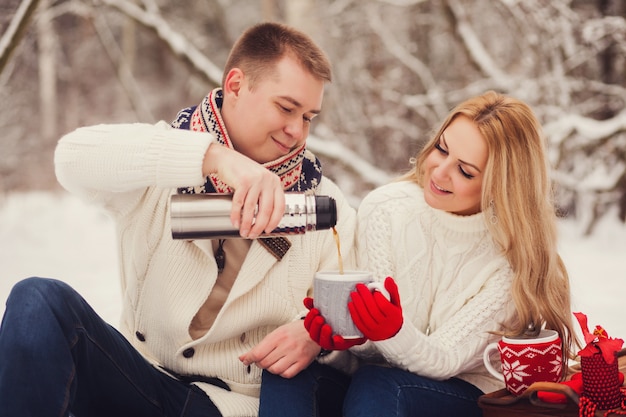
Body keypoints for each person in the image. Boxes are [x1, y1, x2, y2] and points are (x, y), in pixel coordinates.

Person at [0, 22, 356, 417]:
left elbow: (355, 336)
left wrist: (314, 336)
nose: (297, 131)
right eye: (286, 108)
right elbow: (70, 158)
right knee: (37, 300)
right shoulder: (166, 156)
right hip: (137, 376)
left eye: (308, 117)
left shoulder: (323, 201)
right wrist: (214, 158)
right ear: (236, 85)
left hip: (226, 404)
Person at [259, 91, 577, 417]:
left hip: (463, 395)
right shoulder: (386, 208)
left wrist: (392, 331)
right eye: (442, 149)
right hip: (378, 386)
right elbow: (377, 351)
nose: (439, 172)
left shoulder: (510, 259)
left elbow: (442, 359)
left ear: (501, 185)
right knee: (288, 371)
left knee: (380, 384)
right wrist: (339, 339)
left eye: (465, 171)